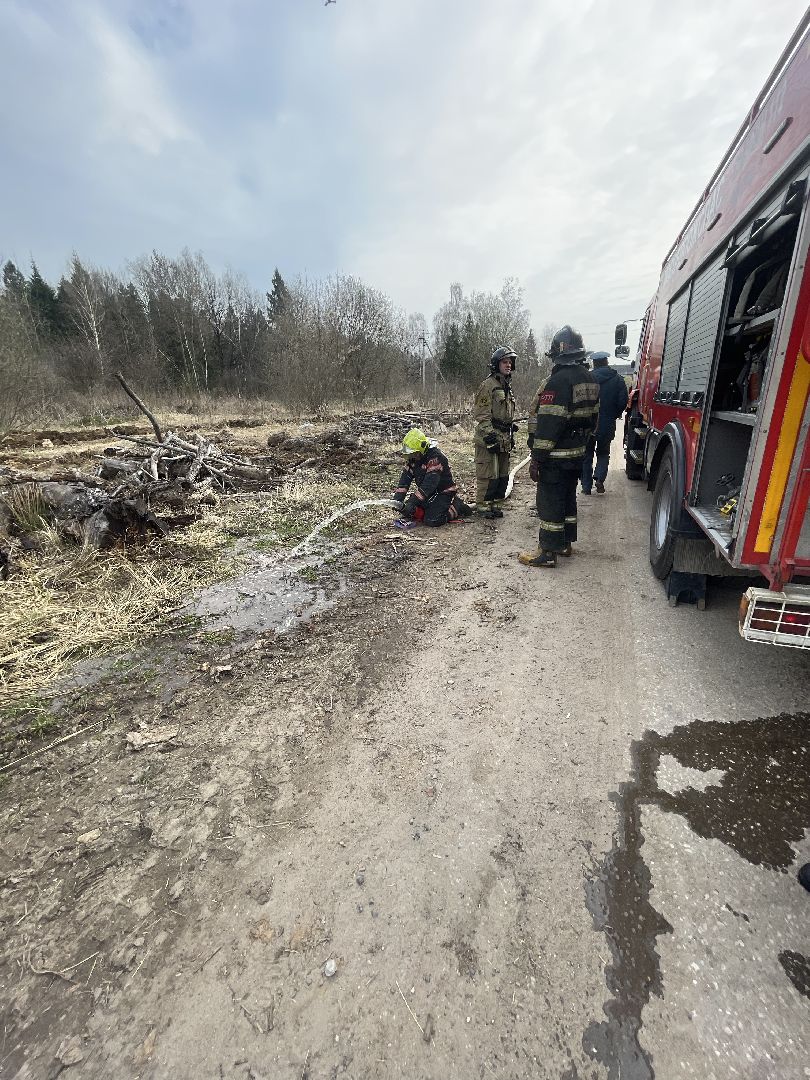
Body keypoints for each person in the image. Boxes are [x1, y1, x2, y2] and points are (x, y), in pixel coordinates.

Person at [519, 326, 599, 568]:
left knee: (550, 501)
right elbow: (594, 417)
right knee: (567, 499)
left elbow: (549, 425)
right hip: (577, 454)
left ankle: (547, 552)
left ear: (559, 353)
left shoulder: (558, 381)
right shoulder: (589, 378)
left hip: (556, 457)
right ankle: (565, 543)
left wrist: (537, 458)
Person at [392, 428, 472, 526]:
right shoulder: (413, 459)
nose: (412, 456)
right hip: (428, 494)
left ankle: (457, 507)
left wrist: (413, 501)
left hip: (444, 492)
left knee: (433, 520)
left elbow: (429, 485)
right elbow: (405, 480)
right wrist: (397, 500)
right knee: (409, 511)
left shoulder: (435, 458)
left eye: (413, 453)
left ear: (421, 449)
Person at [473, 346, 517, 519]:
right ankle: (484, 507)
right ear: (496, 364)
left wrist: (510, 429)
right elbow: (481, 414)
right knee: (488, 474)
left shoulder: (506, 387)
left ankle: (496, 505)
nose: (508, 365)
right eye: (505, 362)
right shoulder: (488, 385)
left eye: (510, 362)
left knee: (503, 475)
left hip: (504, 437)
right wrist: (490, 435)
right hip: (488, 437)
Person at [581, 351, 629, 495]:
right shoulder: (618, 379)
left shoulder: (587, 379)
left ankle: (586, 487)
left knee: (587, 454)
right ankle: (600, 478)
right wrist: (614, 414)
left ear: (594, 363)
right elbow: (623, 401)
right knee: (603, 452)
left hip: (588, 422)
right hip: (607, 423)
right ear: (606, 362)